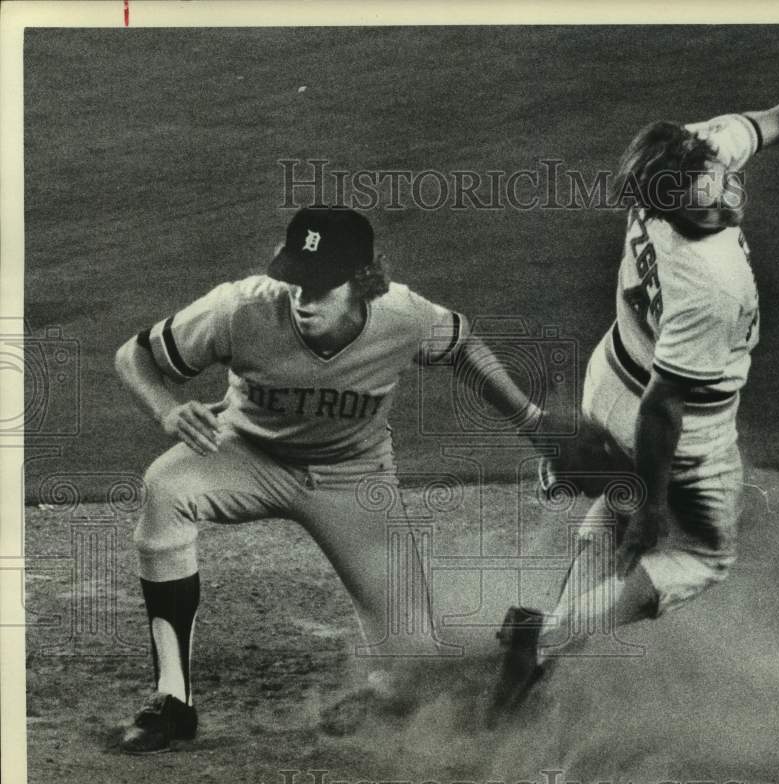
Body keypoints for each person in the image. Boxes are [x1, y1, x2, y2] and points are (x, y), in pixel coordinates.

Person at [490, 87, 779, 718]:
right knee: (702, 555)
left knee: (617, 515)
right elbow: (662, 408)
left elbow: (777, 119)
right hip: (675, 428)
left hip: (610, 380)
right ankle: (546, 637)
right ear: (674, 209)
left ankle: (532, 661)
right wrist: (652, 504)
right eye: (705, 214)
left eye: (723, 191)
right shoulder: (709, 283)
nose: (726, 210)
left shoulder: (684, 159)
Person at [115, 205, 544, 752]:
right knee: (166, 486)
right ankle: (172, 702)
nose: (302, 296)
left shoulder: (404, 316)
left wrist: (530, 420)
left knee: (414, 661)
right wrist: (167, 412)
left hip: (352, 479)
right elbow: (134, 355)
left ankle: (480, 656)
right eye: (295, 280)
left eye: (320, 285)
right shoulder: (239, 308)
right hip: (246, 454)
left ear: (364, 280)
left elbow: (463, 346)